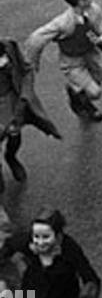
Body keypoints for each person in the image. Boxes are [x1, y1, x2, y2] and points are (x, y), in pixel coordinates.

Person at [23, 0, 102, 123]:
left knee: (98, 79)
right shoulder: (64, 23)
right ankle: (78, 98)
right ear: (80, 2)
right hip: (73, 62)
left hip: (90, 55)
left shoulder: (94, 10)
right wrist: (31, 62)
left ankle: (78, 93)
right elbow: (37, 38)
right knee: (95, 92)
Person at [0, 209, 100, 298]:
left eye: (46, 237)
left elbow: (90, 279)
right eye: (36, 237)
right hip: (31, 295)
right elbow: (9, 246)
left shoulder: (69, 248)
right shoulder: (28, 241)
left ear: (58, 237)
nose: (40, 242)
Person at [0, 39, 62, 190]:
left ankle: (11, 156)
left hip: (10, 100)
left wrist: (25, 96)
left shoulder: (8, 46)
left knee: (14, 133)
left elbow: (26, 70)